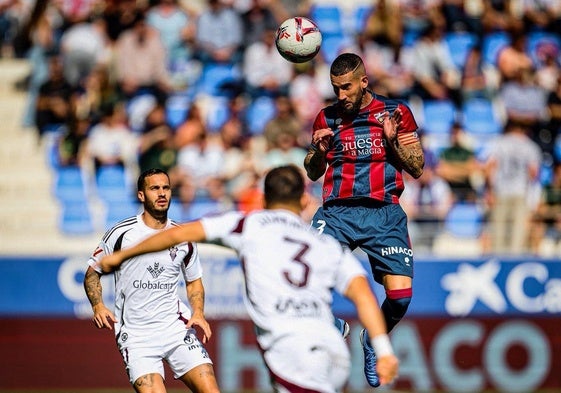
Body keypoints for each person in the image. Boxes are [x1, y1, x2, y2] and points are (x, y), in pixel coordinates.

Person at [96, 165, 399, 393]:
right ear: (305, 202)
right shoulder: (325, 245)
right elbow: (363, 294)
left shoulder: (248, 224)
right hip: (334, 349)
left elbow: (178, 233)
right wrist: (383, 350)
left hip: (291, 348)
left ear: (264, 199)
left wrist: (119, 256)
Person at [303, 52, 424, 387]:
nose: (340, 96)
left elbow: (416, 167)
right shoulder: (326, 118)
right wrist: (318, 151)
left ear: (363, 82)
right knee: (305, 276)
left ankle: (374, 338)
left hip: (383, 212)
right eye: (335, 88)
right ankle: (333, 325)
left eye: (346, 88)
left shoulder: (395, 112)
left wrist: (390, 141)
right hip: (337, 212)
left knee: (400, 298)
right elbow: (313, 171)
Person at [83, 168, 220, 393]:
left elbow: (193, 280)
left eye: (165, 188)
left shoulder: (183, 236)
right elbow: (92, 274)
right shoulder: (121, 233)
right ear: (141, 195)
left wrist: (198, 312)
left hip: (176, 328)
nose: (162, 193)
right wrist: (97, 305)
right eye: (154, 188)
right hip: (137, 336)